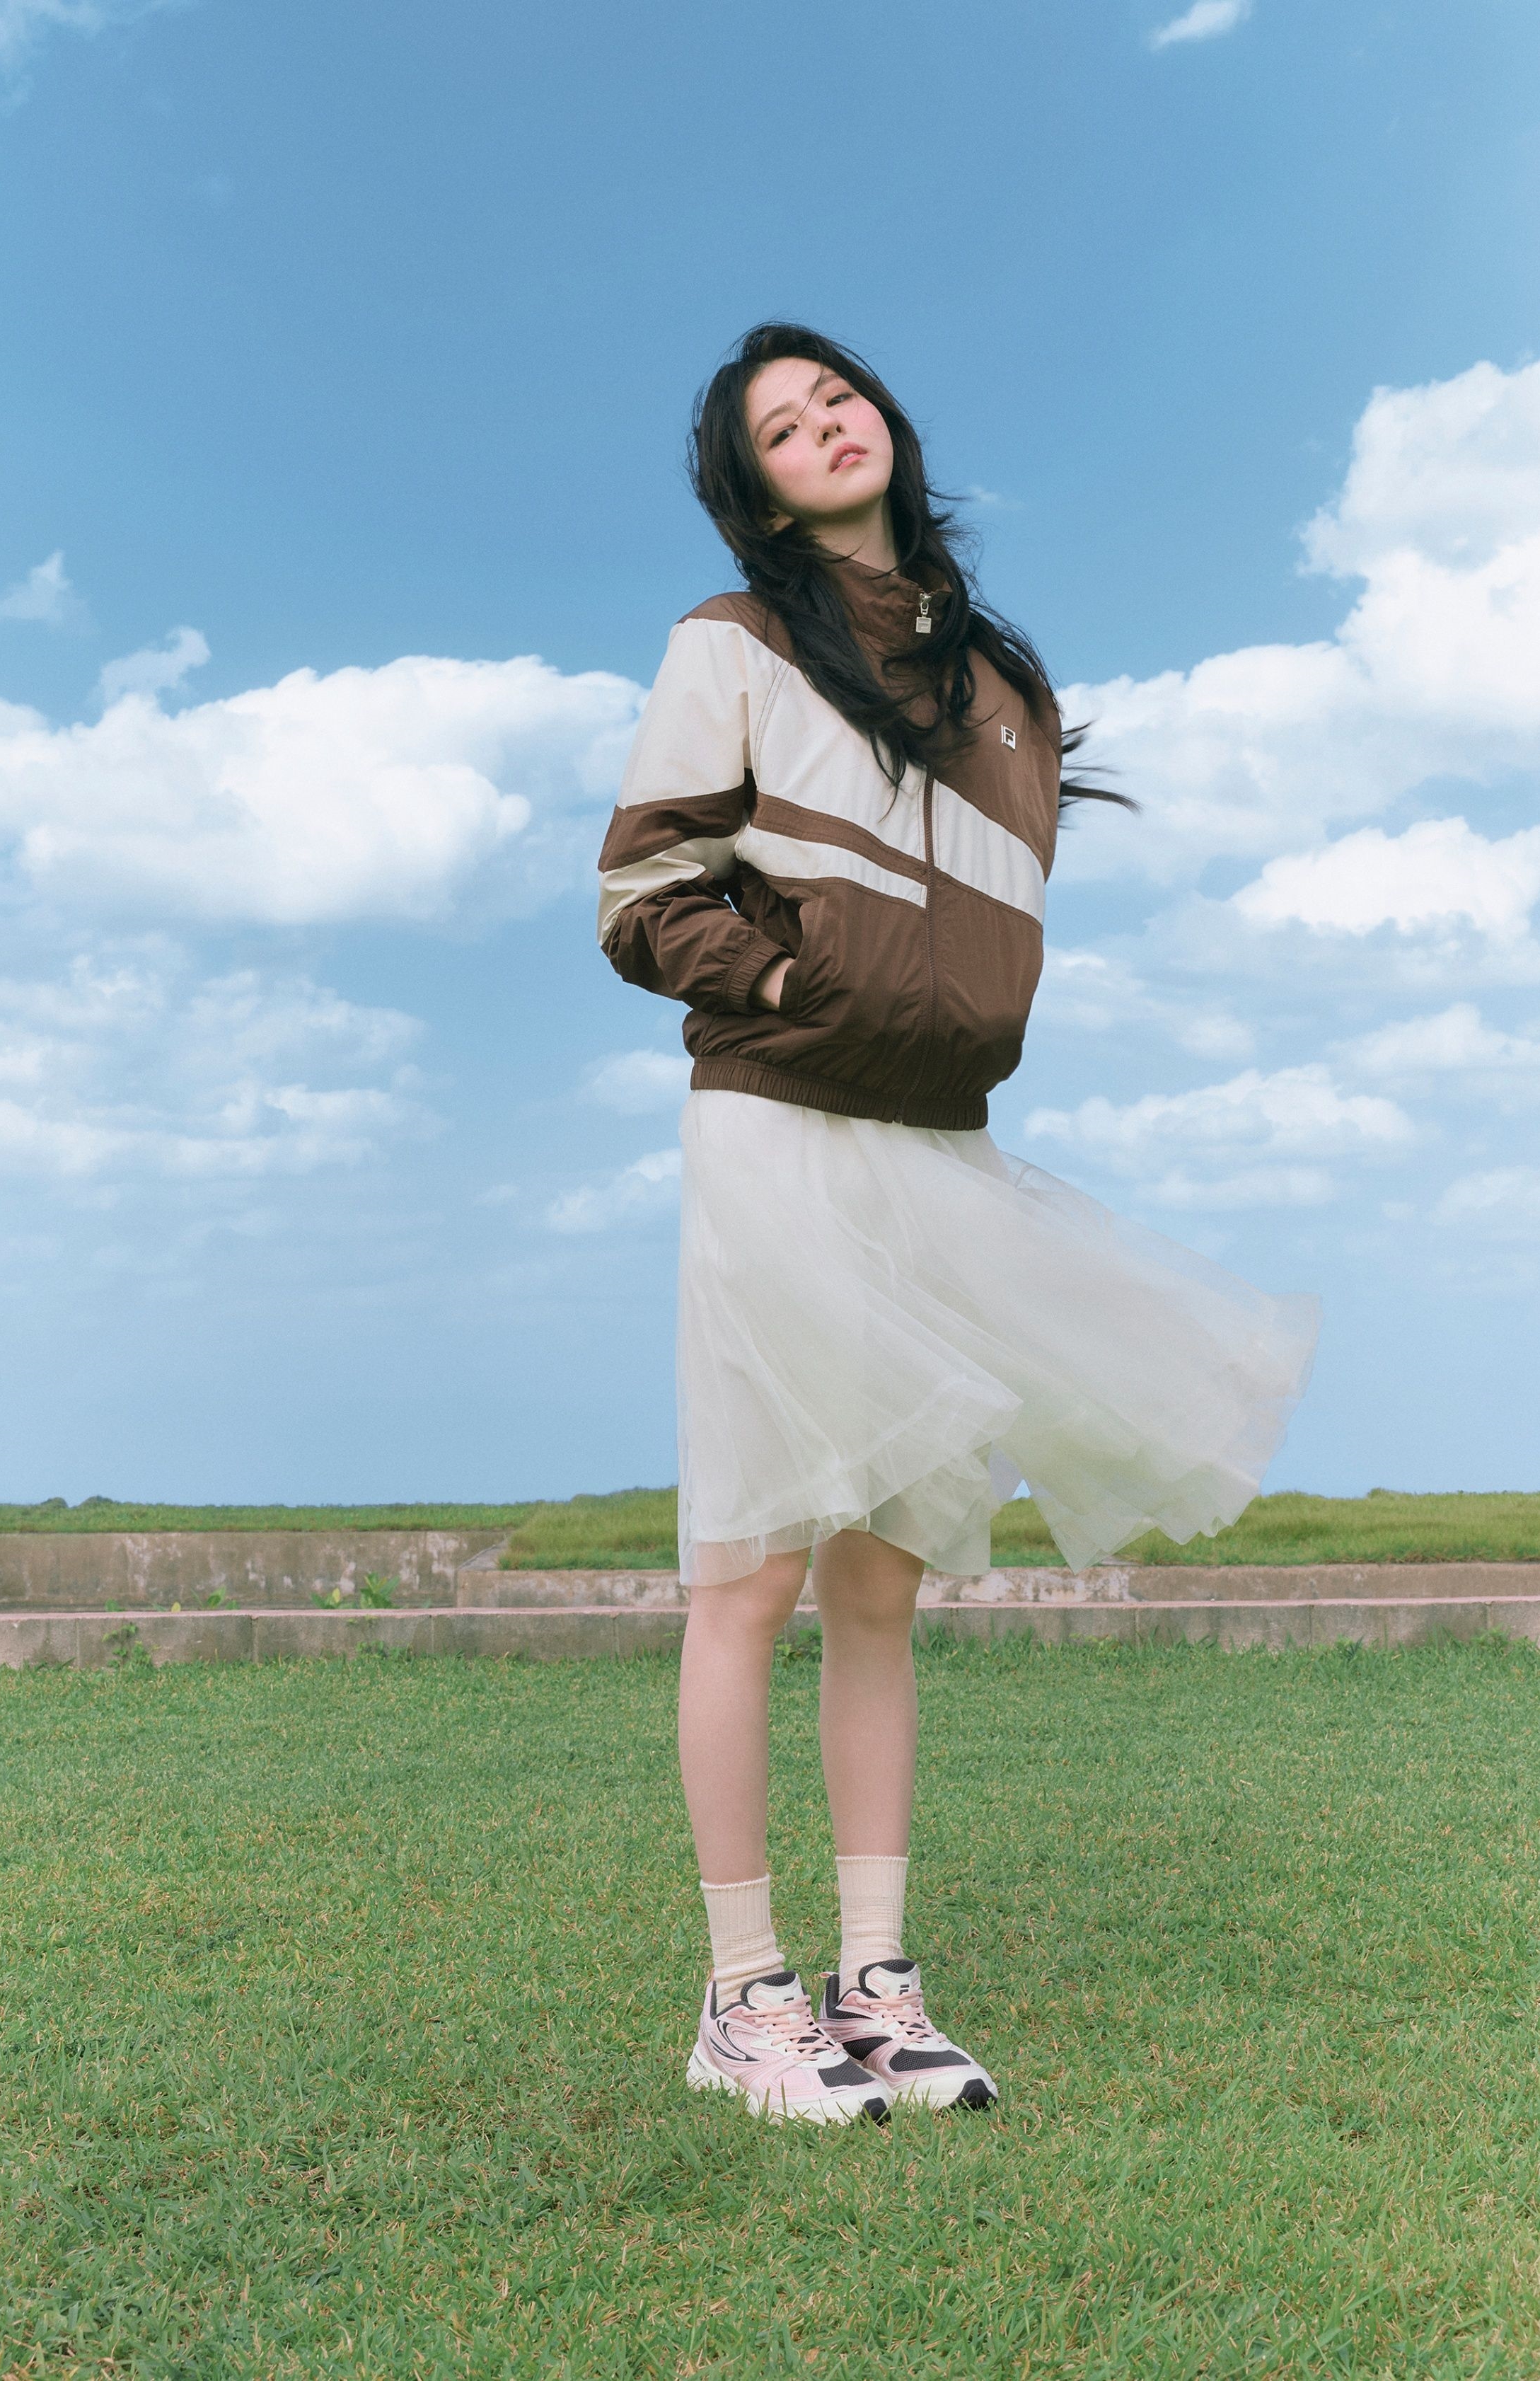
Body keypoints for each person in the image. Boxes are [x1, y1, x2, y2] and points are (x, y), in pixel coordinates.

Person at [595, 323, 1319, 2124]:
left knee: (882, 1584)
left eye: (838, 396)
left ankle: (877, 1986)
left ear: (889, 424)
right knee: (751, 1574)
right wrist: (788, 981)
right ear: (758, 490)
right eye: (782, 426)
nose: (824, 425)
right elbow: (640, 894)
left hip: (942, 1151)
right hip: (776, 1127)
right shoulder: (733, 643)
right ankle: (742, 1997)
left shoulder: (1002, 683)